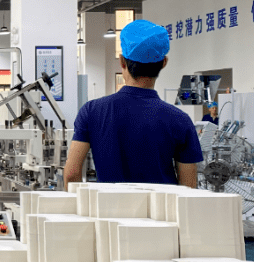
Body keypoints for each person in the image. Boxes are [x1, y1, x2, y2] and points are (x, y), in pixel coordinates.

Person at [63, 20, 203, 188]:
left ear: (122, 61)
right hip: (160, 206)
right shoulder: (181, 120)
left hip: (109, 204)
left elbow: (71, 175)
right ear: (164, 63)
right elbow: (189, 187)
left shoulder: (92, 111)